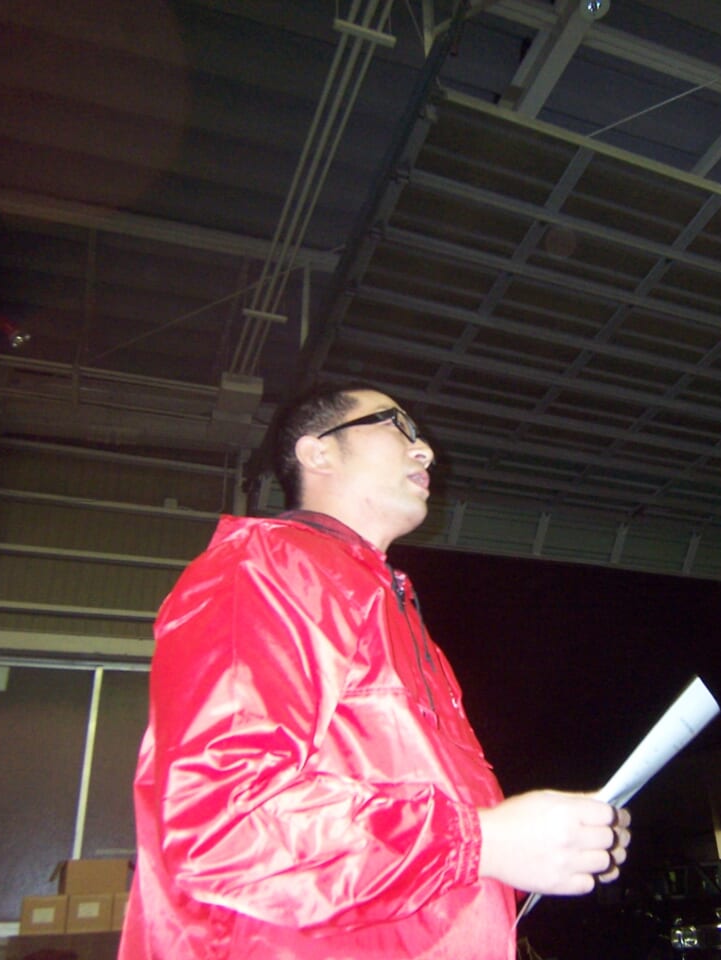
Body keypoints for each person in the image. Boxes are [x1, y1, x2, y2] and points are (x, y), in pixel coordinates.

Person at [118, 384, 631, 960]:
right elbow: (222, 822)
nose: (426, 450)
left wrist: (549, 847)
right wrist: (480, 841)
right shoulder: (263, 569)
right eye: (396, 425)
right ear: (318, 452)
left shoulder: (394, 613)